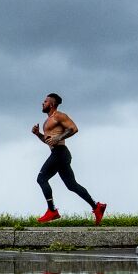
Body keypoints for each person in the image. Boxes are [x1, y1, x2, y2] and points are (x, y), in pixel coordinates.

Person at [31, 93, 106, 224]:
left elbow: (73, 128)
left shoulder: (59, 116)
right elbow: (49, 141)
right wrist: (38, 134)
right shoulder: (47, 122)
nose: (42, 103)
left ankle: (52, 211)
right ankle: (97, 207)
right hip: (59, 154)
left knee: (41, 178)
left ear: (52, 104)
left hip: (60, 153)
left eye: (45, 101)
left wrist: (59, 138)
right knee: (72, 185)